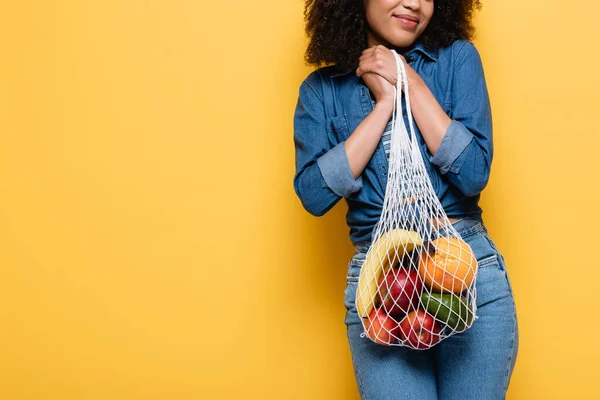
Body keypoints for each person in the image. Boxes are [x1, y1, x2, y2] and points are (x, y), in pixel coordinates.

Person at [292, 0, 519, 398]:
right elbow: (314, 194)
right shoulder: (321, 91)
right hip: (382, 286)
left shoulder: (457, 61)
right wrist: (384, 105)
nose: (414, 3)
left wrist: (407, 80)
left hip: (466, 271)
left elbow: (472, 173)